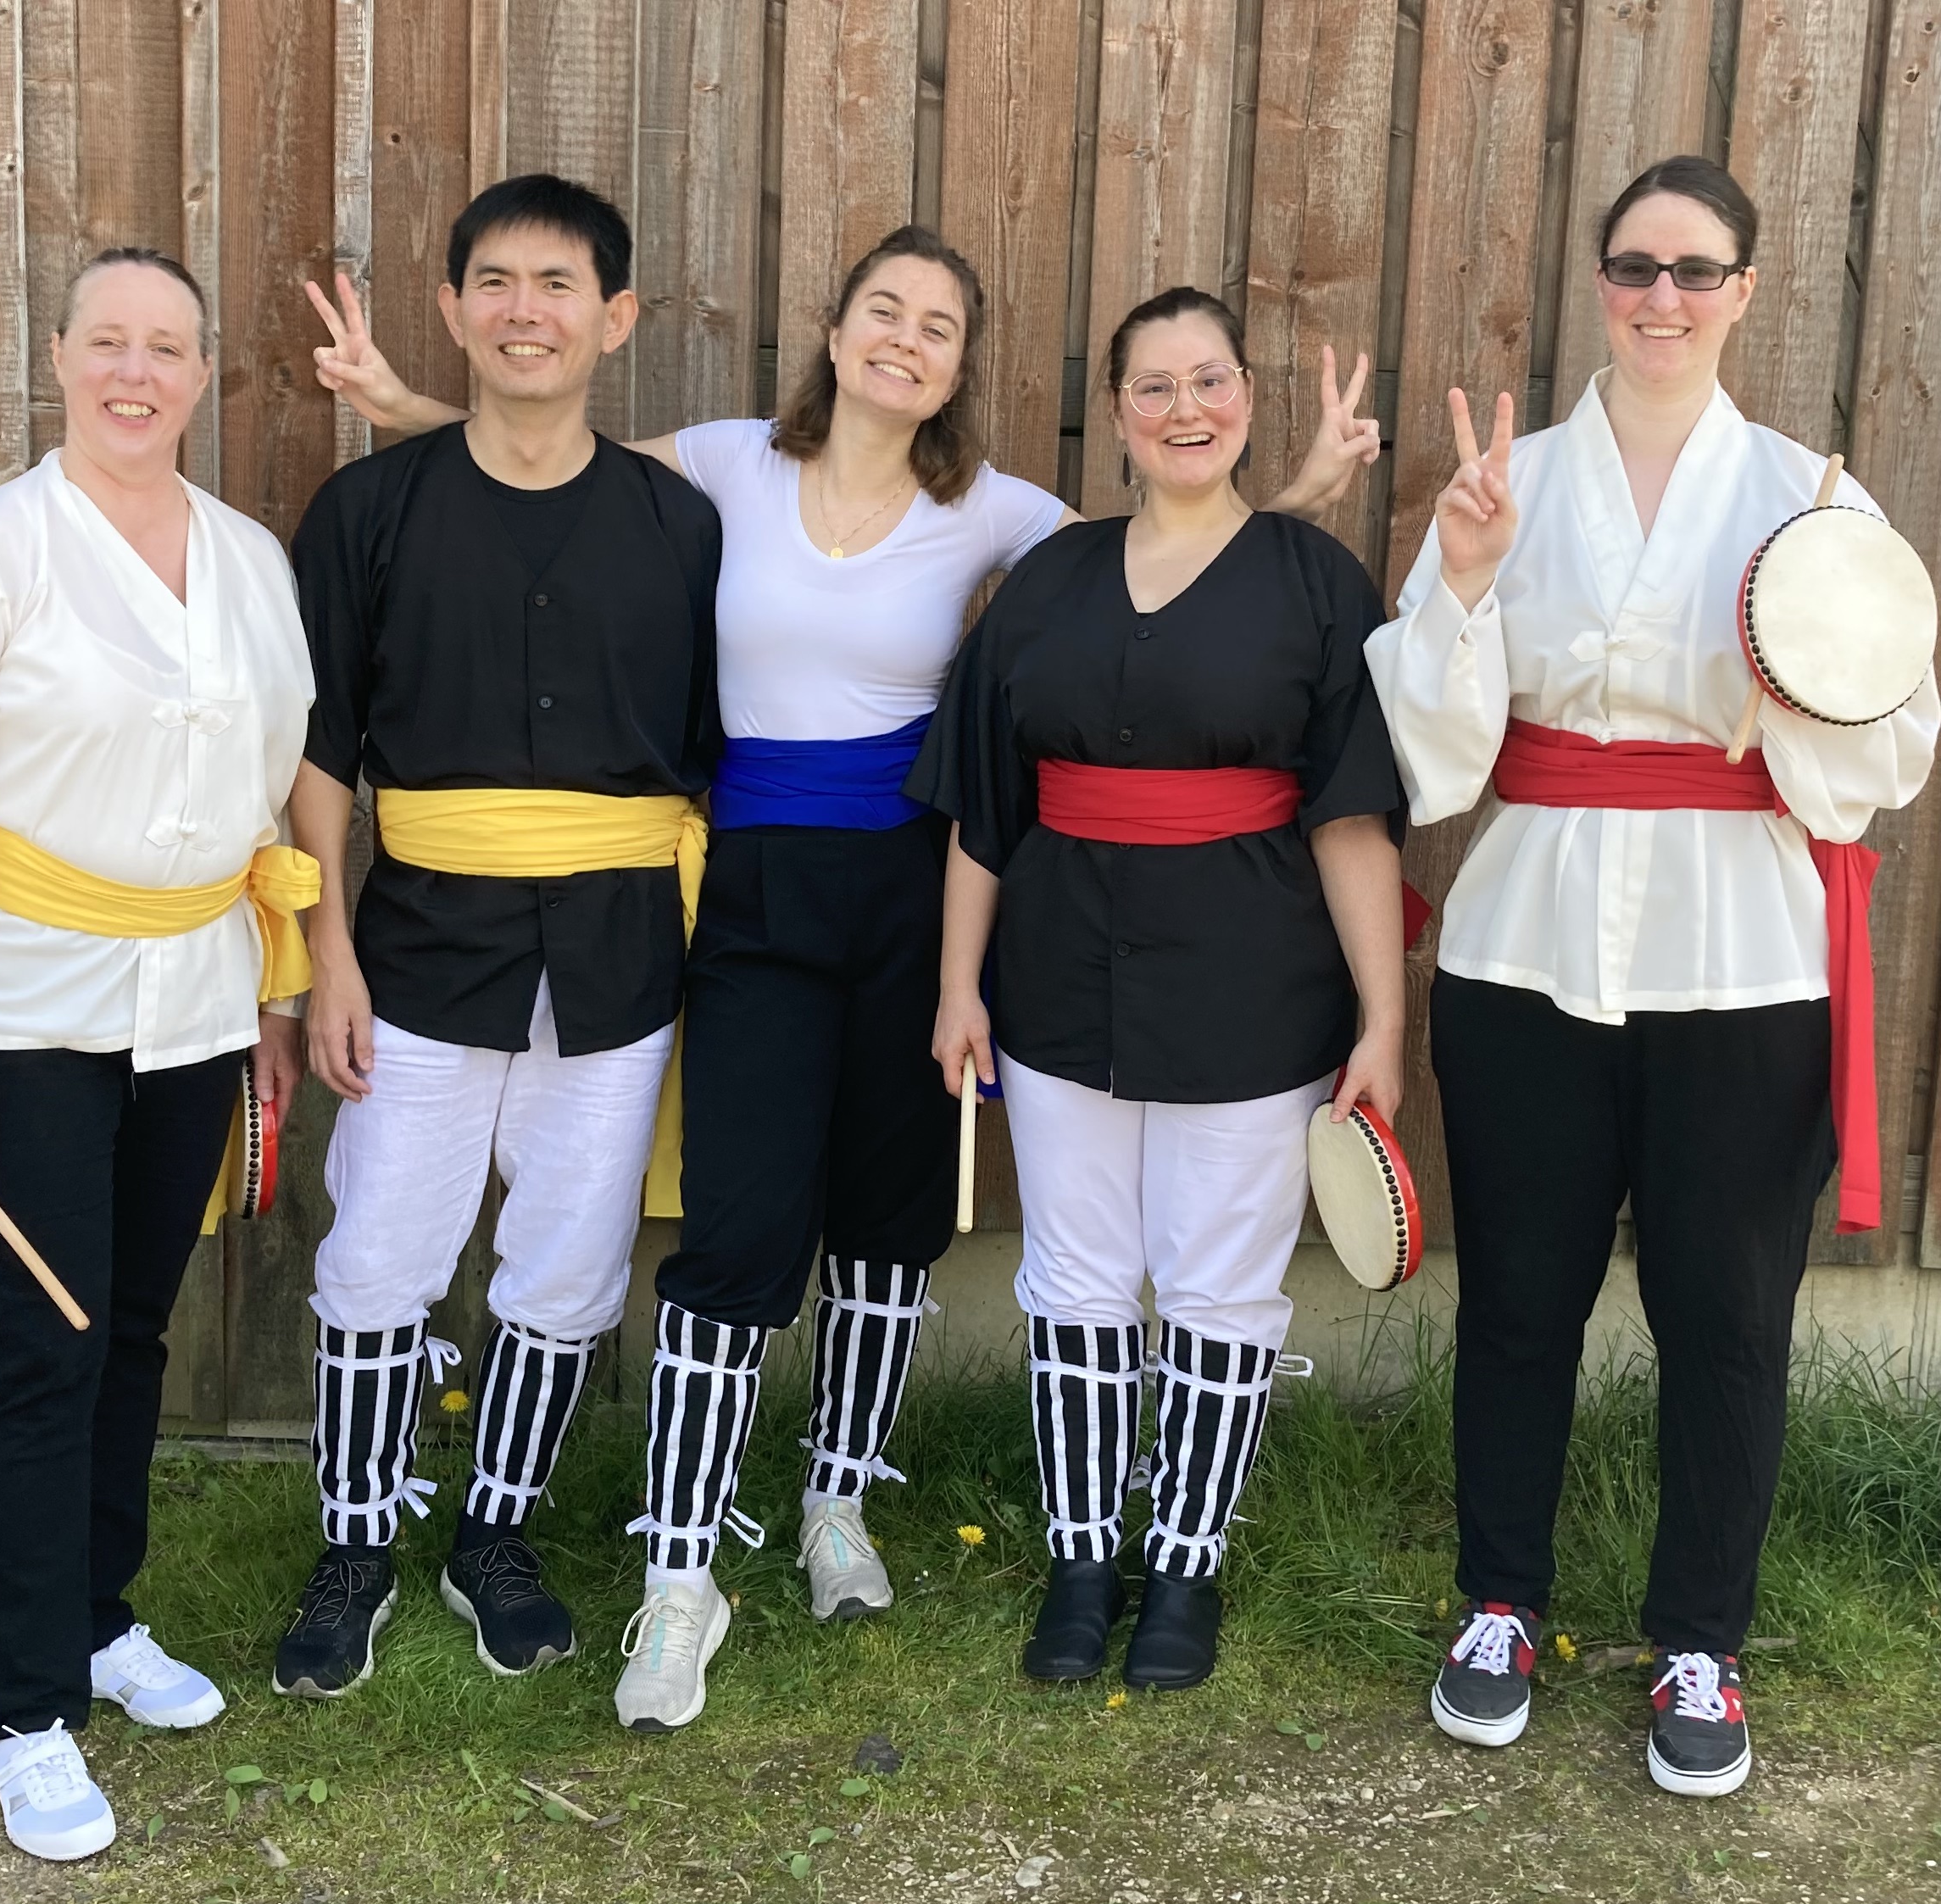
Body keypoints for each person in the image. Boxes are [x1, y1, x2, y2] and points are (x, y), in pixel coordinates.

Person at [315, 230, 1381, 1731]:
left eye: (939, 325)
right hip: (753, 890)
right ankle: (681, 1569)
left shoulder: (996, 508)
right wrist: (403, 407)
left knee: (887, 1218)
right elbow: (549, 450)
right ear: (832, 328)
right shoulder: (728, 462)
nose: (905, 339)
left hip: (915, 887)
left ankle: (837, 1502)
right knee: (738, 1224)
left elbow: (1168, 554)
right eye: (884, 309)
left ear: (961, 366)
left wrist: (1308, 492)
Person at [1365, 155, 1938, 1797]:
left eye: (1695, 271)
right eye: (1635, 267)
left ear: (1743, 292)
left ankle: (1702, 1642)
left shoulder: (1815, 503)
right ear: (1600, 283)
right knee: (1519, 1298)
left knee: (1727, 1313)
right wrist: (1468, 575)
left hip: (1741, 962)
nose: (1661, 297)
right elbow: (1430, 747)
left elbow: (1891, 743)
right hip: (1524, 949)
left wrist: (1799, 687)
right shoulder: (1515, 482)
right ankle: (1500, 1603)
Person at [0, 249, 316, 1862]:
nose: (136, 372)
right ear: (57, 357)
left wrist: (269, 998)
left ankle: (100, 1615)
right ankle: (28, 1710)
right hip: (21, 1005)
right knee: (43, 1343)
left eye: (167, 347)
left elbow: (265, 790)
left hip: (194, 998)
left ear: (204, 372)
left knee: (133, 1330)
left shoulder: (248, 559)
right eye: (107, 340)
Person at [913, 285, 1406, 1692]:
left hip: (1255, 987)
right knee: (1075, 1274)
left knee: (1218, 1279)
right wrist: (958, 984)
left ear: (1246, 398)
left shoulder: (1317, 584)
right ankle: (1083, 1562)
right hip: (1057, 976)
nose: (1187, 408)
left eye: (1210, 380)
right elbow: (985, 807)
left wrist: (1384, 1017)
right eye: (1155, 386)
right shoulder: (1052, 580)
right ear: (1117, 415)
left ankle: (1185, 1567)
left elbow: (1352, 819)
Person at [272, 174, 723, 1701]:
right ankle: (355, 1546)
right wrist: (330, 956)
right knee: (381, 1247)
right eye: (496, 283)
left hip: (618, 949)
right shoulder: (369, 512)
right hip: (416, 941)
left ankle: (495, 1534)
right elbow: (320, 757)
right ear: (453, 309)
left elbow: (712, 749)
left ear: (618, 318)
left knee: (570, 1257)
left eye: (559, 284)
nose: (526, 311)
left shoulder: (679, 526)